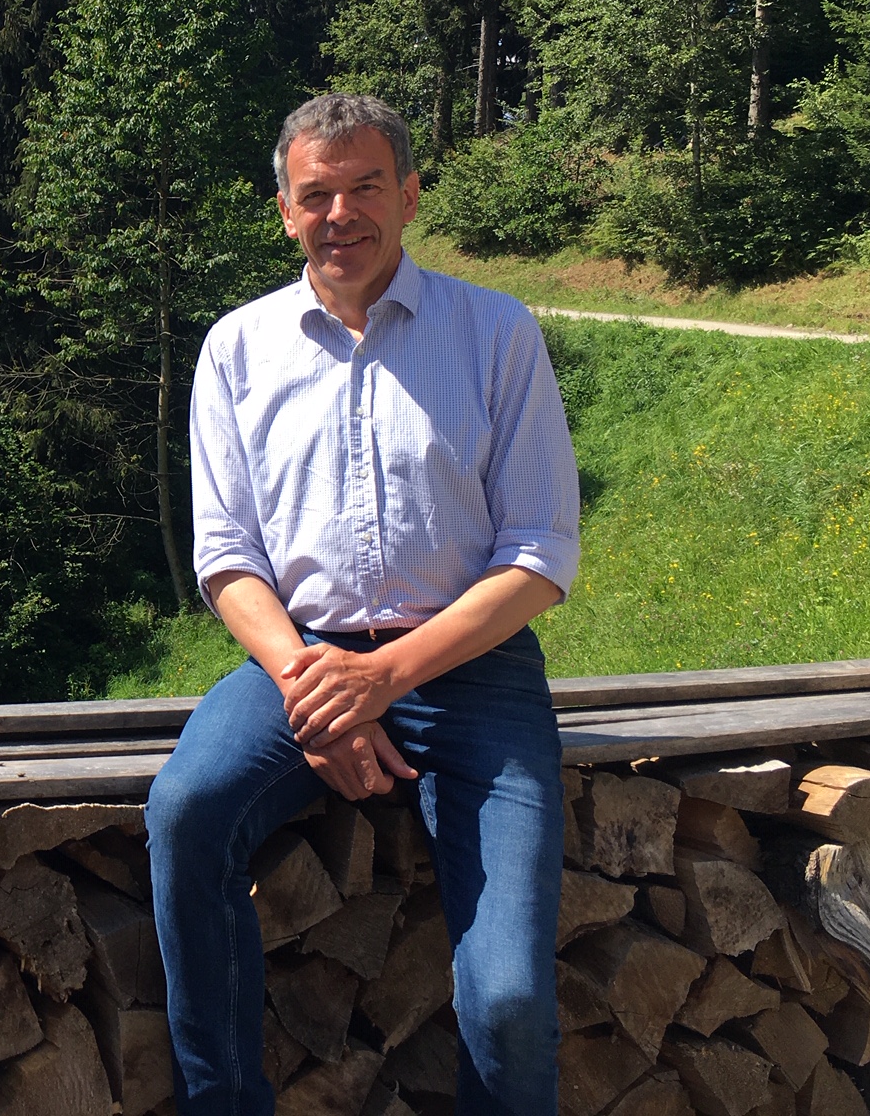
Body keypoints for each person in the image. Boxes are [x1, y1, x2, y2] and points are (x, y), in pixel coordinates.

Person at [145, 93, 580, 1114]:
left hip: (477, 674)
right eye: (316, 195)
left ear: (411, 196)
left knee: (513, 996)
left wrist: (382, 678)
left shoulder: (495, 334)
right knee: (186, 812)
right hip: (296, 656)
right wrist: (314, 686)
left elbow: (541, 555)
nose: (341, 214)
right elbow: (227, 556)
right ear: (285, 211)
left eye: (365, 188)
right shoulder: (237, 349)